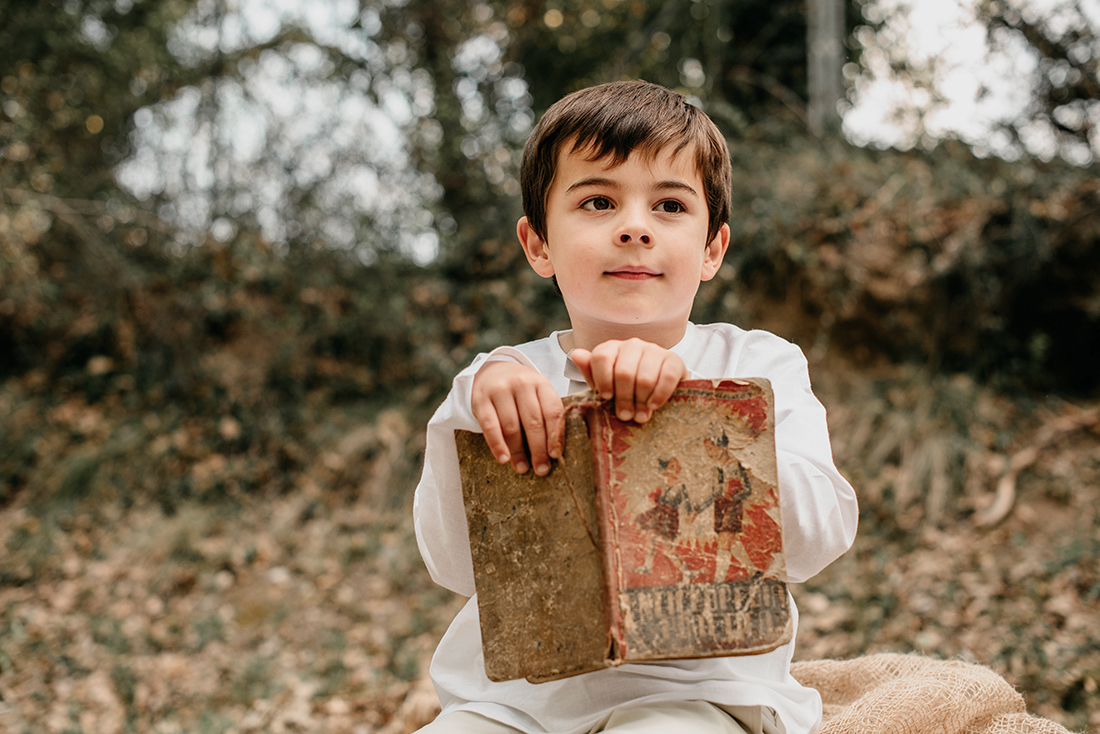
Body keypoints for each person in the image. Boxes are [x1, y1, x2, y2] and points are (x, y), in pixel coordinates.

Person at [413, 80, 858, 734]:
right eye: (598, 200)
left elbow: (822, 534)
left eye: (670, 206)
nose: (634, 227)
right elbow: (453, 566)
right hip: (512, 705)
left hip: (702, 698)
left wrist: (688, 417)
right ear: (538, 243)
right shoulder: (506, 382)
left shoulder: (757, 366)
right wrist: (468, 412)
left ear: (712, 249)